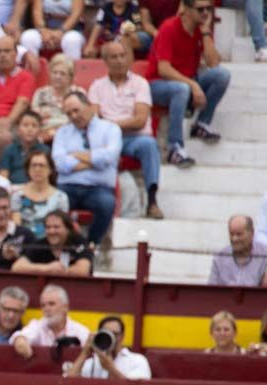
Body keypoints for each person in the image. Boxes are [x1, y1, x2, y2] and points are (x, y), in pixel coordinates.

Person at [145, 0, 231, 167]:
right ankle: (174, 148)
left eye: (209, 9)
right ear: (186, 9)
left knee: (222, 75)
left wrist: (206, 33)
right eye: (200, 9)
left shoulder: (201, 29)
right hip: (158, 84)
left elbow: (213, 63)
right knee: (182, 89)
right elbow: (163, 69)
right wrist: (193, 85)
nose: (205, 13)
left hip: (186, 81)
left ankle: (201, 124)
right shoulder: (169, 27)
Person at [88, 39, 164, 219]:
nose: (120, 60)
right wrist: (113, 125)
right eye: (114, 57)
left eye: (123, 56)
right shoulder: (97, 86)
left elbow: (140, 120)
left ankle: (152, 201)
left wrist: (110, 123)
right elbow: (94, 120)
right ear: (106, 62)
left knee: (149, 144)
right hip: (106, 140)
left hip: (133, 139)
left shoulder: (140, 83)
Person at [53, 91, 121, 245]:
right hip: (67, 187)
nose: (74, 116)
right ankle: (65, 245)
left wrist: (75, 155)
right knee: (53, 203)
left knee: (107, 204)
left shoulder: (111, 129)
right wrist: (95, 160)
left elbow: (109, 157)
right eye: (69, 113)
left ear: (89, 106)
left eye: (76, 110)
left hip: (98, 188)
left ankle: (90, 245)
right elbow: (60, 165)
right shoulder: (62, 132)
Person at [11, 283, 89, 358]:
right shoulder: (37, 325)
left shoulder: (80, 331)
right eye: (43, 305)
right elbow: (21, 336)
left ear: (65, 307)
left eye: (51, 304)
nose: (46, 309)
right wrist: (19, 339)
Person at [66, 315, 151, 379]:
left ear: (122, 337)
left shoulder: (137, 361)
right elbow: (67, 383)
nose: (111, 337)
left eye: (115, 334)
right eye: (106, 333)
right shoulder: (91, 362)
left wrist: (111, 368)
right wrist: (85, 352)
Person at [12, 209, 93, 274]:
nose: (51, 231)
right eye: (48, 227)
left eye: (56, 227)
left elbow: (83, 270)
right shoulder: (41, 244)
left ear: (68, 229)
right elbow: (17, 267)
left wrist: (62, 271)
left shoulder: (79, 242)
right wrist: (47, 268)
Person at [11, 150, 70, 238]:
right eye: (33, 165)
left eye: (41, 165)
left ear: (50, 169)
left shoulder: (61, 198)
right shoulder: (18, 196)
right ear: (28, 169)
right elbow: (17, 226)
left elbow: (61, 227)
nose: (37, 169)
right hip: (25, 243)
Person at [208, 215, 267, 286]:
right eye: (231, 234)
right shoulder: (220, 258)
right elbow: (212, 291)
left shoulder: (266, 255)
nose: (234, 239)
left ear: (252, 233)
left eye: (239, 234)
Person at [30, 53, 79, 143]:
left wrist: (56, 131)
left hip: (70, 136)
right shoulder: (40, 93)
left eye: (62, 74)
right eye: (54, 72)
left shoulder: (78, 94)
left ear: (70, 77)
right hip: (44, 136)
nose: (57, 77)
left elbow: (82, 119)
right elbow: (34, 119)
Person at [85, 0, 156, 59]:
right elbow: (98, 25)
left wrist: (130, 30)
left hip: (126, 38)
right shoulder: (105, 8)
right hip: (108, 39)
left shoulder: (134, 9)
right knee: (91, 51)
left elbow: (138, 26)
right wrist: (90, 45)